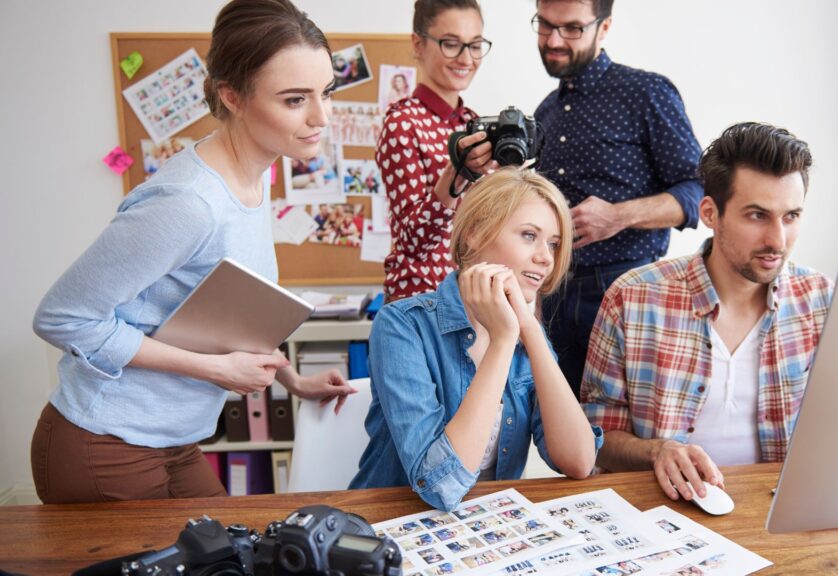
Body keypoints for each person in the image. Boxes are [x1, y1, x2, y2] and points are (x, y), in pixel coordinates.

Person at [30, 0, 357, 504]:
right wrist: (216, 371)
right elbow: (63, 318)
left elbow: (229, 308)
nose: (321, 117)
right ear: (232, 97)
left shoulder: (255, 173)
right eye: (295, 100)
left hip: (175, 439)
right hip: (105, 441)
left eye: (326, 93)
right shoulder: (189, 203)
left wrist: (292, 379)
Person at [581, 122, 833, 502]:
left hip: (775, 513)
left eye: (791, 216)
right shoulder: (633, 299)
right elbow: (594, 437)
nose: (777, 241)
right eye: (757, 216)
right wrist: (657, 451)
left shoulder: (819, 300)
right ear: (710, 213)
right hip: (664, 514)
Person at [350, 168, 603, 511]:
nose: (546, 257)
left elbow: (578, 461)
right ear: (473, 233)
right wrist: (502, 342)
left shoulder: (526, 332)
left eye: (554, 244)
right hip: (398, 523)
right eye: (529, 235)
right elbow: (439, 487)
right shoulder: (402, 325)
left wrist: (528, 329)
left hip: (486, 528)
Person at [531, 0, 704, 398]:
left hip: (625, 287)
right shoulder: (546, 111)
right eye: (545, 25)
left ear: (603, 27)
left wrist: (618, 216)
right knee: (564, 436)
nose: (554, 40)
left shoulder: (645, 92)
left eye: (572, 28)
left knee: (624, 435)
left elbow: (697, 191)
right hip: (554, 295)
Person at [377, 0, 497, 303]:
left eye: (475, 45)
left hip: (469, 298)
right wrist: (456, 174)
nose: (466, 58)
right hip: (421, 303)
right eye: (451, 44)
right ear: (418, 44)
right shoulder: (403, 122)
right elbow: (412, 242)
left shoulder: (472, 122)